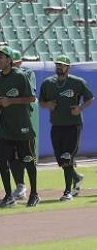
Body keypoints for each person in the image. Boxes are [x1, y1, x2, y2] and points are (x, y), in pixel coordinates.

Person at [0, 46, 39, 209]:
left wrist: (11, 101)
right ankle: (8, 196)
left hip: (22, 127)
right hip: (5, 128)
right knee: (2, 162)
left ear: (9, 60)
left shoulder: (20, 76)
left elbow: (31, 98)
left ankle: (34, 193)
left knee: (29, 161)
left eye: (1, 57)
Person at [39, 55, 93, 201]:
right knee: (60, 159)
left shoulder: (77, 82)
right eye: (57, 65)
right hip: (56, 125)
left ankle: (68, 191)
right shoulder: (48, 83)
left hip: (73, 125)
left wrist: (80, 108)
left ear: (68, 68)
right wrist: (47, 105)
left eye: (62, 65)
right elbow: (41, 102)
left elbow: (90, 98)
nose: (59, 68)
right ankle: (77, 177)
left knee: (66, 157)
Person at [8, 49, 37, 201]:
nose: (12, 65)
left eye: (14, 62)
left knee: (27, 155)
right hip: (9, 120)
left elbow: (30, 96)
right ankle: (20, 186)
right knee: (12, 156)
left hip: (24, 118)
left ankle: (34, 191)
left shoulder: (27, 73)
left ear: (20, 63)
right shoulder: (3, 76)